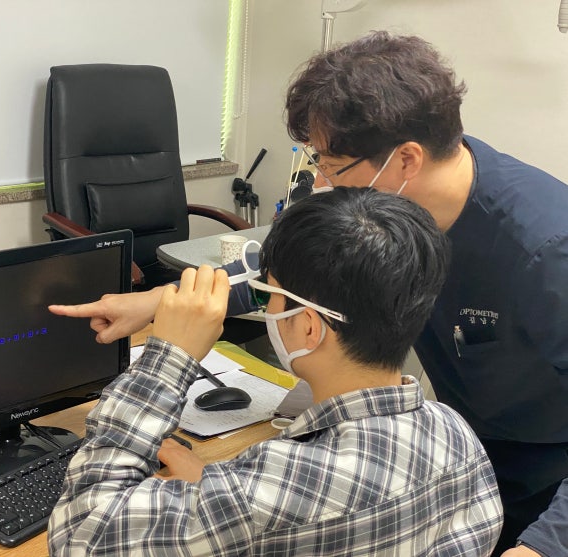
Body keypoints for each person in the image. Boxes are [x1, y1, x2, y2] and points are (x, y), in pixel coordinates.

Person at [55, 31, 568, 556]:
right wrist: (159, 301)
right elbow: (315, 274)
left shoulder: (549, 249)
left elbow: (83, 535)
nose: (320, 182)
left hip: (543, 477)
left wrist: (542, 547)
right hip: (450, 459)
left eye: (331, 165)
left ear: (406, 160)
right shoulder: (448, 426)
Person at [46, 188, 502, 556]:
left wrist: (170, 358)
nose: (265, 306)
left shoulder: (272, 492)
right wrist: (212, 485)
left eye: (268, 296)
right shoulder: (457, 435)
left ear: (309, 327)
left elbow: (80, 536)